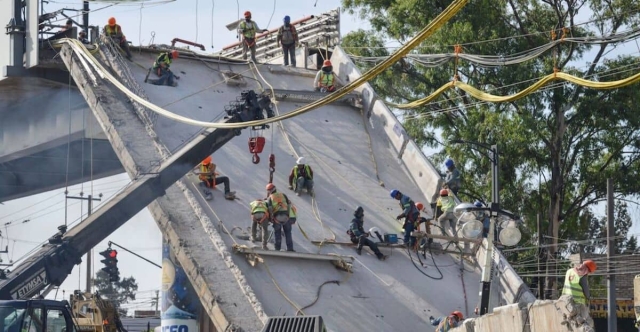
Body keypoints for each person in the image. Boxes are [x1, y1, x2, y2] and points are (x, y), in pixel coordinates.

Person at [561, 259, 596, 327]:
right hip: (577, 302)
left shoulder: (569, 271)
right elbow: (586, 291)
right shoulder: (582, 275)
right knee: (586, 323)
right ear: (587, 269)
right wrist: (589, 298)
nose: (588, 273)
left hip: (565, 299)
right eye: (589, 271)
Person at [265, 183, 294, 251]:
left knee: (277, 233)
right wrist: (288, 214)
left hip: (277, 217)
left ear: (269, 191)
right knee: (288, 233)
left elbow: (270, 208)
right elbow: (289, 204)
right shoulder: (283, 195)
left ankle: (277, 248)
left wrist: (271, 218)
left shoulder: (270, 197)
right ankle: (290, 249)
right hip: (286, 217)